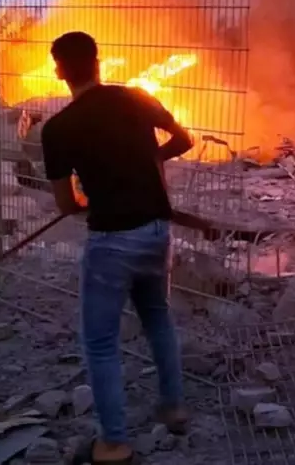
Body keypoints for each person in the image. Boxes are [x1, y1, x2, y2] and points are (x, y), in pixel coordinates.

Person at [40, 31, 195, 464]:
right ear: (97, 61)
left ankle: (113, 443)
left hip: (111, 241)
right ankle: (175, 407)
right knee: (158, 318)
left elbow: (67, 204)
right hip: (156, 230)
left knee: (101, 342)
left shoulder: (58, 128)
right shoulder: (135, 97)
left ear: (59, 71)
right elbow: (184, 140)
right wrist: (149, 163)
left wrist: (92, 194)